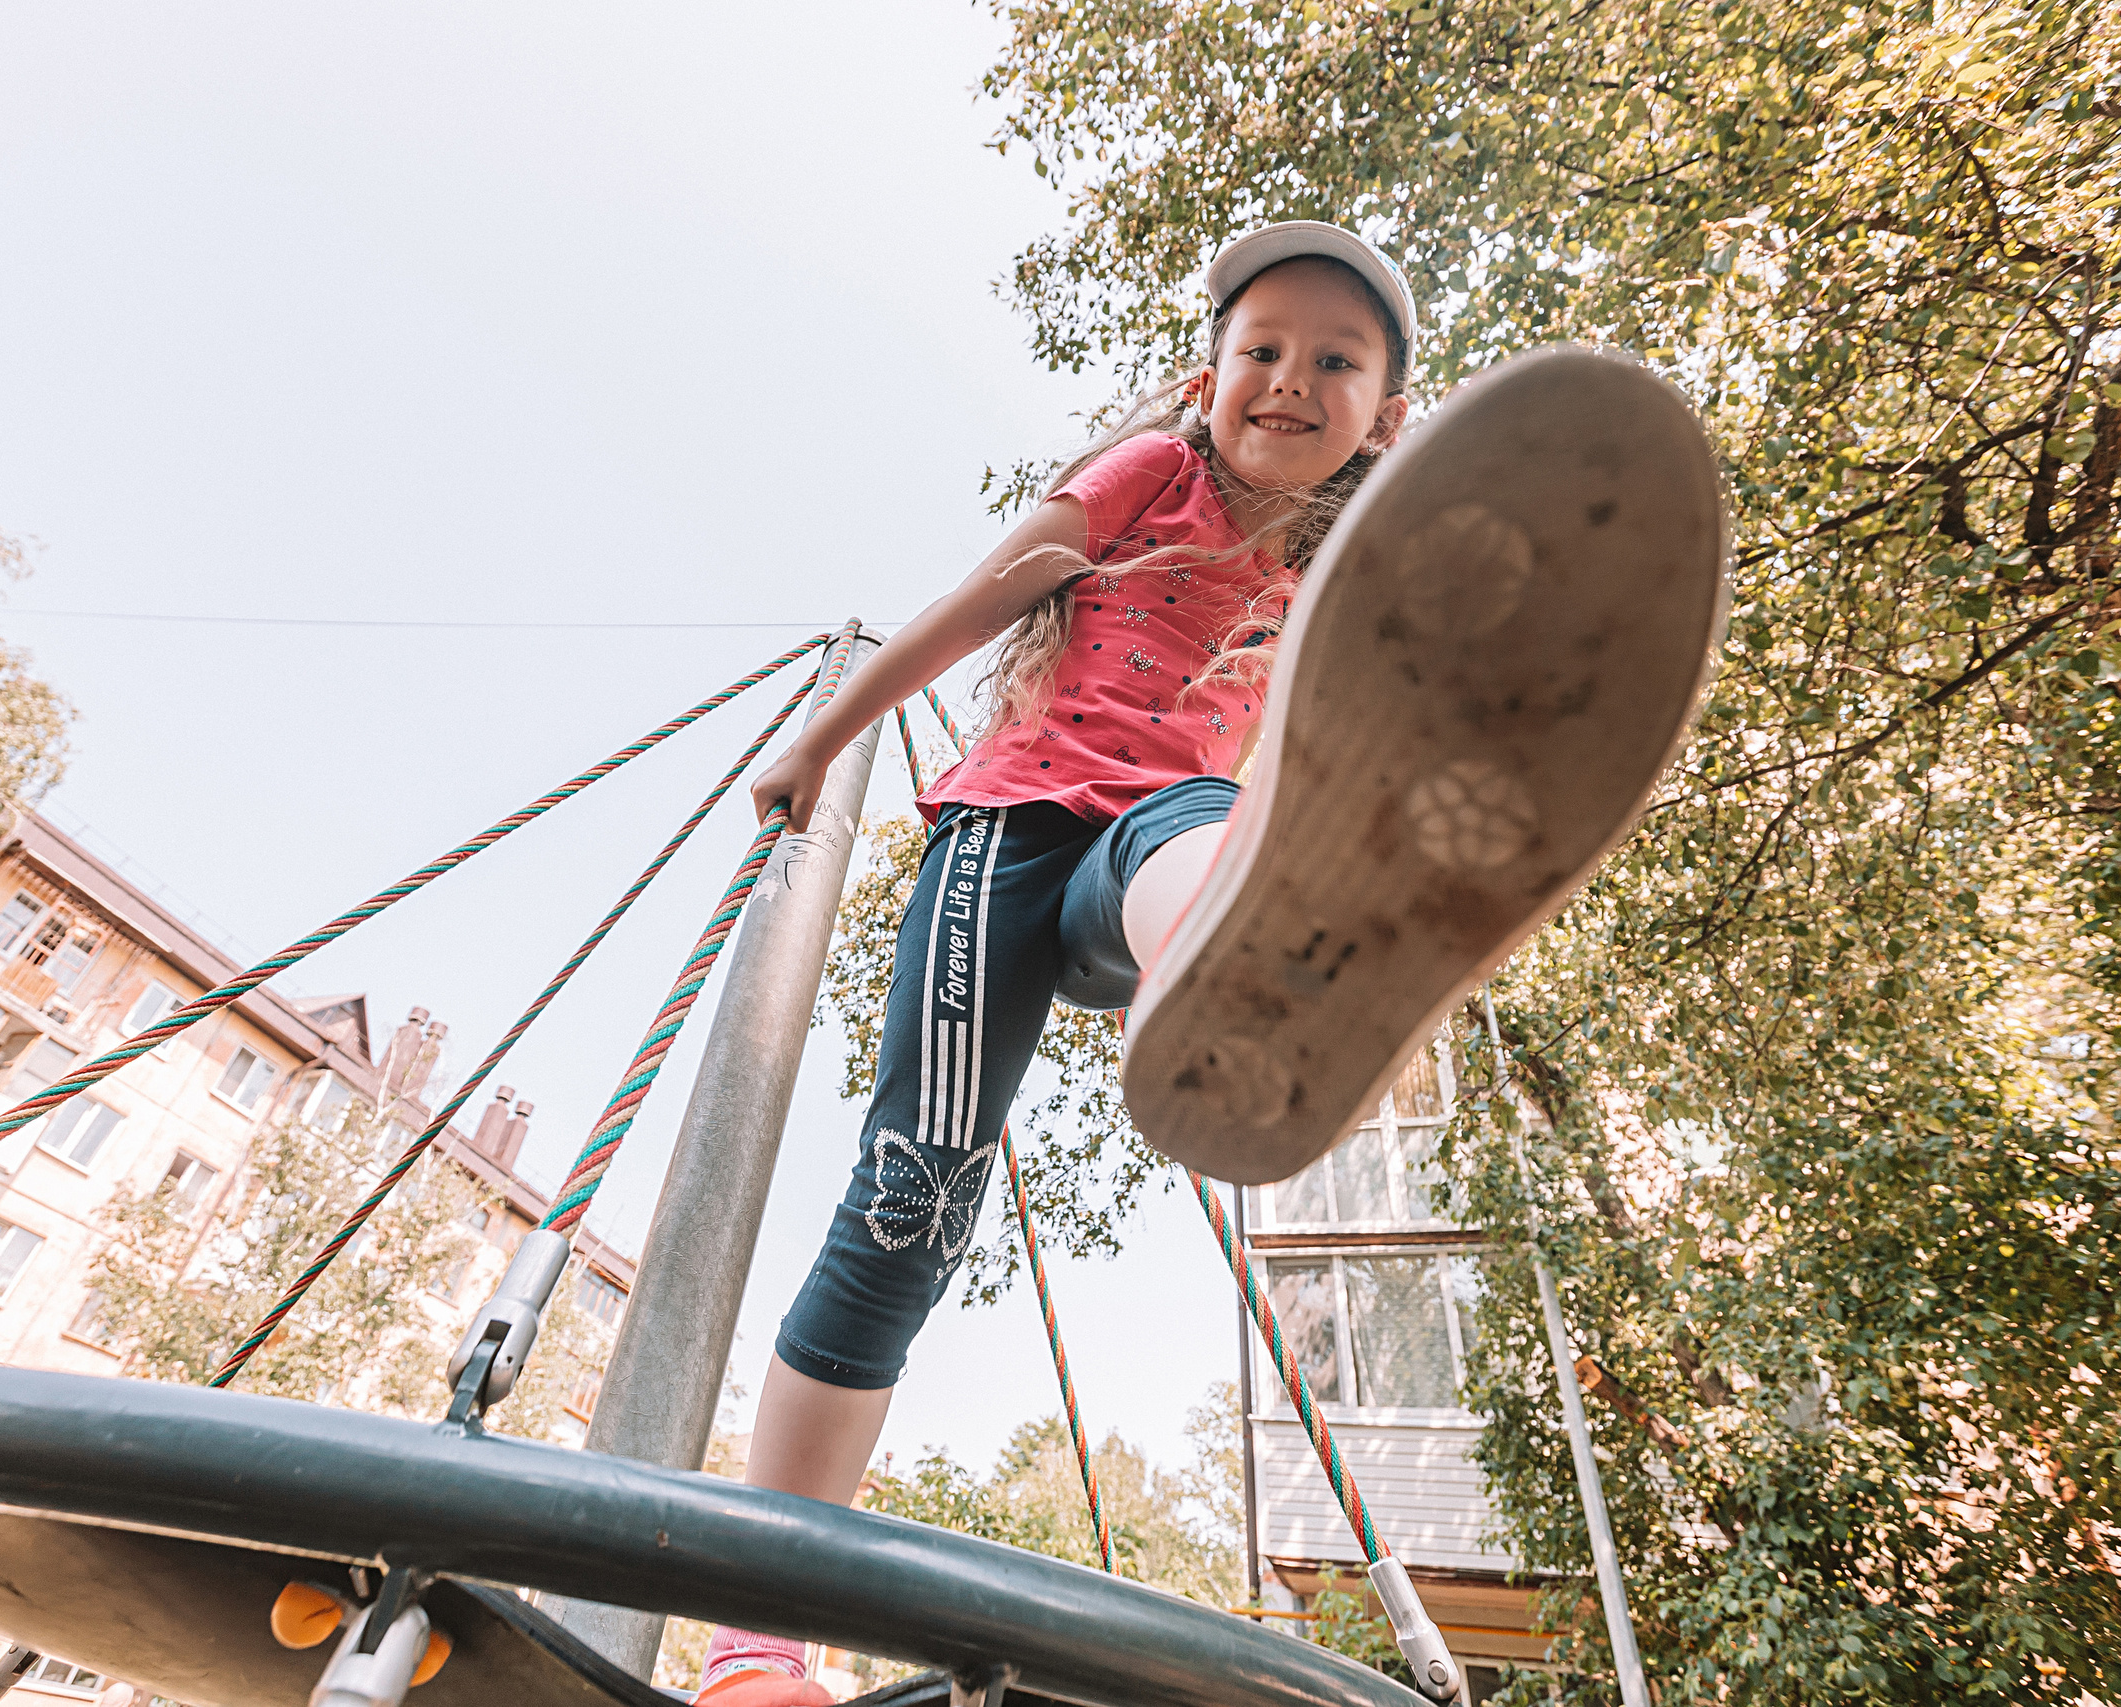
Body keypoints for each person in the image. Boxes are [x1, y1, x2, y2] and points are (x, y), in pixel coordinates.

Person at [699, 221, 1725, 1702]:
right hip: (1012, 833)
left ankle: (1262, 960)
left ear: (1389, 414)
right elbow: (978, 602)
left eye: (1336, 363)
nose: (1290, 381)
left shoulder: (1357, 567)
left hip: (1161, 851)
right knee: (908, 1210)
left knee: (1210, 822)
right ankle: (752, 1641)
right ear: (1207, 377)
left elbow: (1450, 661)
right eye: (1262, 352)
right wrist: (821, 738)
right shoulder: (1148, 479)